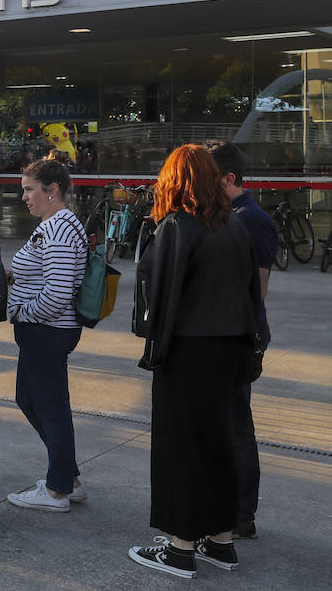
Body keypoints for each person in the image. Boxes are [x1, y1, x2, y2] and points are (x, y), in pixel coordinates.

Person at [127, 145, 260, 579]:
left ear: (174, 179)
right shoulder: (233, 226)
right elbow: (250, 295)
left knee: (179, 445)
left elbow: (159, 293)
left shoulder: (177, 226)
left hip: (185, 349)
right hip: (227, 348)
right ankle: (220, 541)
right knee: (216, 441)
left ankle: (180, 548)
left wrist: (153, 349)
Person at [6, 159, 88, 513]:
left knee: (49, 406)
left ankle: (57, 490)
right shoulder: (55, 226)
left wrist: (22, 311)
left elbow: (57, 293)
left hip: (47, 331)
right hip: (44, 331)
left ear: (52, 191)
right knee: (31, 398)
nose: (23, 196)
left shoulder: (58, 229)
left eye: (29, 189)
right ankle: (66, 477)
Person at [205, 140, 275, 540]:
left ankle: (242, 512)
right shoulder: (228, 215)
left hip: (239, 336)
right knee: (223, 423)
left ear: (229, 179)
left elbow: (258, 289)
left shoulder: (251, 218)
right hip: (223, 332)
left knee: (235, 424)